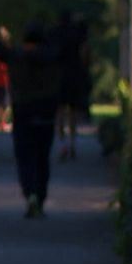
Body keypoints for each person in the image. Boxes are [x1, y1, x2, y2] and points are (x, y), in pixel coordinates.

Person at [0, 17, 62, 218]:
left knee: (25, 156)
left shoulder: (16, 56)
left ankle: (30, 193)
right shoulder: (51, 57)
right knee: (42, 158)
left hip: (23, 110)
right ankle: (40, 198)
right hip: (46, 112)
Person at [53, 10, 91, 160]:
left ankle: (62, 144)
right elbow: (85, 52)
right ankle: (72, 144)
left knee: (60, 113)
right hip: (75, 75)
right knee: (73, 113)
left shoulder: (54, 34)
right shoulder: (77, 34)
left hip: (59, 76)